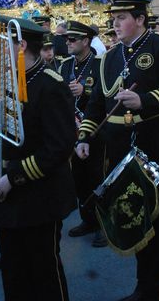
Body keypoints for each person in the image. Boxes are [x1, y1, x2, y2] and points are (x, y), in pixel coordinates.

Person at [76, 0, 159, 301]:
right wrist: (84, 138)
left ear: (140, 19)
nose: (115, 25)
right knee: (140, 223)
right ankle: (148, 289)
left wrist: (142, 100)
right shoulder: (109, 58)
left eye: (121, 18)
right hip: (124, 156)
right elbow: (95, 106)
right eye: (113, 19)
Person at [0, 16, 76, 301]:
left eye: (3, 44)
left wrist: (14, 176)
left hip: (38, 192)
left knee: (43, 271)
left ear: (21, 45)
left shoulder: (50, 84)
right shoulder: (3, 81)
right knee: (14, 271)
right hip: (5, 191)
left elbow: (58, 147)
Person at [59, 20, 106, 246]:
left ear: (86, 41)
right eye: (66, 39)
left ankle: (103, 225)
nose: (67, 43)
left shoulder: (100, 64)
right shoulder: (65, 66)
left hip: (95, 130)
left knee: (98, 177)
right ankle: (87, 219)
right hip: (73, 131)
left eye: (72, 39)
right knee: (79, 179)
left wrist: (84, 90)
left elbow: (107, 94)